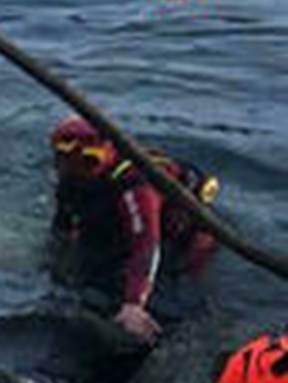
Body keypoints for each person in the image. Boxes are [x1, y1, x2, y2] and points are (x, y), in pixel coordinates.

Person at [48, 114, 221, 342]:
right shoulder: (71, 176)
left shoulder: (137, 185)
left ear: (106, 154)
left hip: (178, 238)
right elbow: (62, 227)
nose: (76, 169)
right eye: (65, 160)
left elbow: (146, 245)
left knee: (178, 295)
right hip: (120, 223)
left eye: (89, 161)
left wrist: (133, 305)